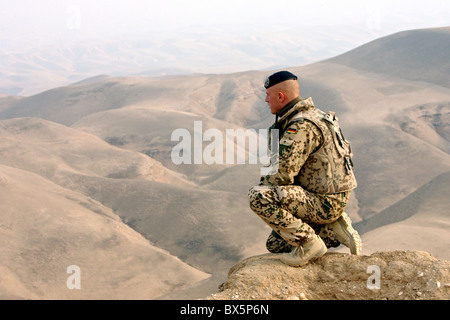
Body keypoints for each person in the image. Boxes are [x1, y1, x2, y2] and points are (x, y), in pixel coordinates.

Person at [248, 71, 361, 267]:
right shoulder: (311, 116)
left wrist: (265, 187)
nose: (266, 100)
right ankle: (331, 230)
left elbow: (279, 175)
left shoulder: (301, 126)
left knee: (259, 197)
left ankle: (310, 244)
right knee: (275, 244)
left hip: (323, 201)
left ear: (281, 97)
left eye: (268, 95)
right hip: (324, 197)